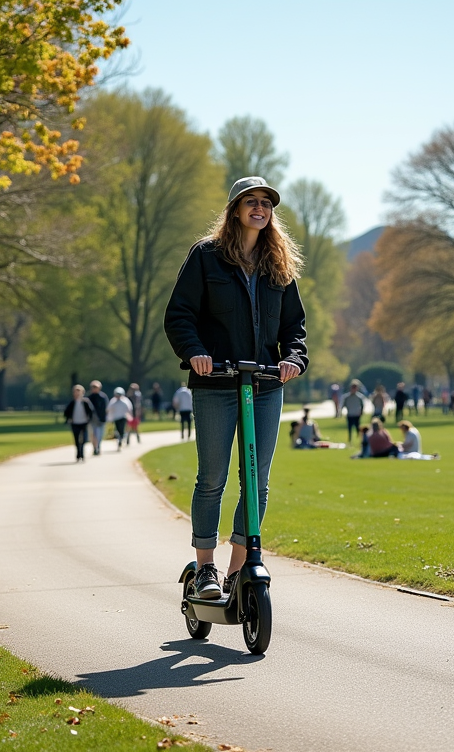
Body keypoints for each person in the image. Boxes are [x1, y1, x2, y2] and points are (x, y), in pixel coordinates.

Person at [164, 175, 307, 600]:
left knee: (257, 482)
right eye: (251, 202)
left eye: (266, 202)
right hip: (216, 384)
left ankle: (238, 570)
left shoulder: (278, 263)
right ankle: (205, 568)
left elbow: (294, 326)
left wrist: (293, 359)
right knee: (212, 478)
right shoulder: (206, 257)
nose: (259, 208)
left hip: (264, 384)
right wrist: (195, 352)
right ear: (235, 209)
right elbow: (179, 315)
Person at [62, 384, 94, 462]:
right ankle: (78, 454)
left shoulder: (86, 402)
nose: (77, 393)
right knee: (76, 439)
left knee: (84, 439)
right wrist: (69, 418)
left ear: (82, 392)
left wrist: (89, 419)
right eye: (75, 392)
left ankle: (82, 454)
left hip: (84, 423)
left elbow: (91, 411)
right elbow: (66, 412)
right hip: (75, 423)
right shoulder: (72, 403)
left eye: (78, 391)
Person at [87, 381, 109, 455]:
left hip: (101, 419)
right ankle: (95, 448)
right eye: (93, 387)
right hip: (92, 419)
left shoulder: (103, 397)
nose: (94, 389)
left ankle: (98, 446)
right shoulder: (89, 398)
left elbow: (106, 408)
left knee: (100, 434)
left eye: (96, 387)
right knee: (93, 434)